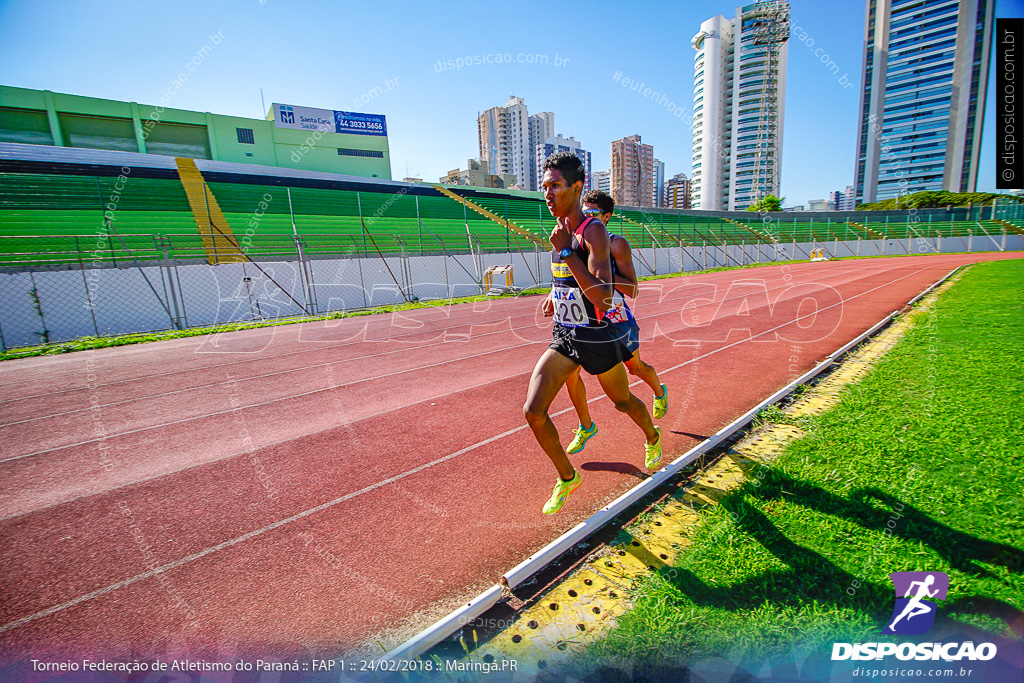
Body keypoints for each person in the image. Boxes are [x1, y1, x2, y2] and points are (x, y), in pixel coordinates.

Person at [523, 152, 662, 515]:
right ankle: (568, 478)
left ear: (577, 187)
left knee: (622, 402)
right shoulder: (560, 234)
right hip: (567, 336)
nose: (548, 194)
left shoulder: (591, 232)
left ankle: (652, 434)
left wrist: (566, 252)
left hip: (598, 336)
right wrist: (555, 295)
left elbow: (603, 295)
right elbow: (568, 279)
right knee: (533, 411)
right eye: (545, 187)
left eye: (555, 186)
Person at [562, 191, 667, 456]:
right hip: (586, 322)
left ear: (607, 217)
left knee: (635, 369)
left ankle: (658, 391)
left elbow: (633, 289)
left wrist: (602, 279)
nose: (587, 216)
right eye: (585, 210)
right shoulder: (575, 241)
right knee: (570, 374)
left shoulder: (616, 244)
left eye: (594, 213)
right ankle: (586, 426)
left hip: (617, 319)